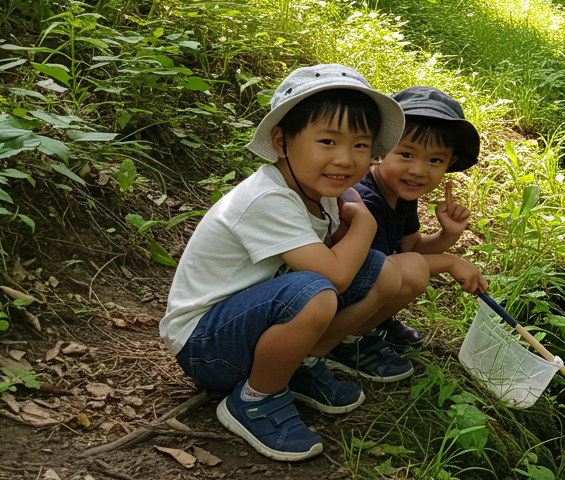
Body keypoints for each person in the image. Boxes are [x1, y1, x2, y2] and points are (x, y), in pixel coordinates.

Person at [159, 65, 421, 462]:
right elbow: (332, 274)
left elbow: (342, 261)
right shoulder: (268, 198)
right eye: (328, 141)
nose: (345, 159)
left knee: (381, 270)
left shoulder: (319, 188)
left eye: (361, 146)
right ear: (282, 141)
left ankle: (301, 362)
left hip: (252, 323)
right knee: (314, 292)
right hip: (205, 346)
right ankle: (253, 399)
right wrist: (365, 221)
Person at [347, 85, 489, 350]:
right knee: (410, 275)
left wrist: (448, 234)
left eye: (435, 160)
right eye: (406, 154)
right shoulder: (364, 200)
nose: (418, 170)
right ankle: (348, 339)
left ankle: (370, 321)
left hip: (364, 281)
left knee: (410, 268)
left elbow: (411, 248)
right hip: (334, 291)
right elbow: (380, 271)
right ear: (381, 148)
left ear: (450, 163)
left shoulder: (401, 192)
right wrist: (449, 262)